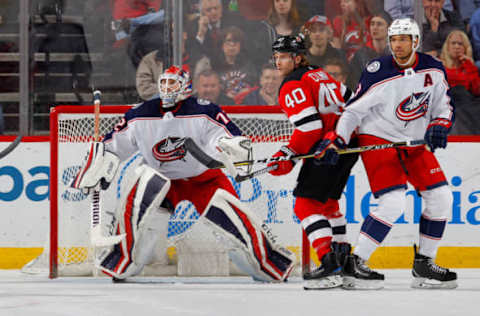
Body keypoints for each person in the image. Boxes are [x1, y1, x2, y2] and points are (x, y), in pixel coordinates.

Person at [71, 66, 296, 282]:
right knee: (142, 212)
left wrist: (231, 147)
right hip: (162, 184)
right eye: (164, 83)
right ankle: (122, 258)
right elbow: (112, 146)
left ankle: (268, 264)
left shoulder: (204, 110)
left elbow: (226, 137)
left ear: (186, 86)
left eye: (173, 83)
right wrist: (98, 164)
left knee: (234, 226)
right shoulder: (140, 114)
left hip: (204, 181)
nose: (167, 88)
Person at [314, 18, 458, 290]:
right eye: (394, 40)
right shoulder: (378, 70)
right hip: (378, 138)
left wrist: (440, 125)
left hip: (413, 143)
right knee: (393, 203)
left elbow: (444, 106)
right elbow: (353, 110)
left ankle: (424, 263)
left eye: (403, 39)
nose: (398, 45)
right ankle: (357, 262)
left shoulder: (434, 69)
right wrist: (337, 140)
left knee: (442, 197)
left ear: (415, 41)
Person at [268, 35, 358, 290]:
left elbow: (309, 128)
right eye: (276, 56)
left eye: (283, 56)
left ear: (297, 57)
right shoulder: (319, 73)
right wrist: (337, 133)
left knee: (305, 206)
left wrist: (286, 153)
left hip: (327, 149)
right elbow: (352, 100)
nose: (278, 61)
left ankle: (329, 264)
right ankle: (343, 260)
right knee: (329, 204)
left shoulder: (292, 83)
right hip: (347, 144)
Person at [348, 11, 392, 89]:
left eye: (379, 24)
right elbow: (354, 83)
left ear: (389, 28)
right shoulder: (360, 55)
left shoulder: (396, 54)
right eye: (372, 24)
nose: (375, 27)